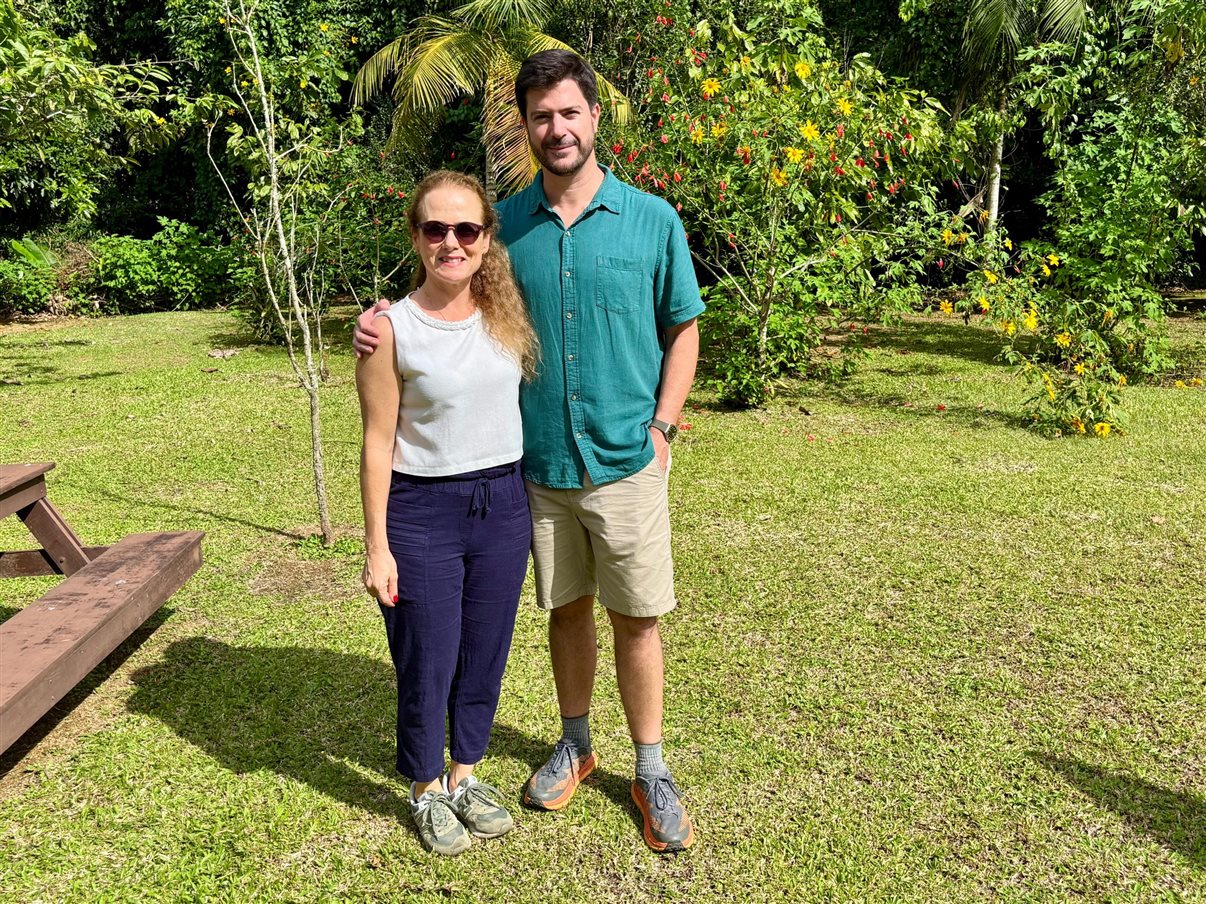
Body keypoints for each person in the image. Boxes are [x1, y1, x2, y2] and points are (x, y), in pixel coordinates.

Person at [355, 50, 703, 853]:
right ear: (528, 126)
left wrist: (663, 427)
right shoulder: (501, 224)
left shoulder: (652, 220)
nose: (557, 128)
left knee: (638, 617)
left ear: (594, 117)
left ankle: (650, 765)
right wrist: (375, 323)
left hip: (624, 461)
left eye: (569, 112)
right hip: (533, 474)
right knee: (565, 610)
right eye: (541, 116)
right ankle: (575, 743)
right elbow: (442, 297)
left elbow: (683, 328)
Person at [356, 169, 538, 856]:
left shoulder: (507, 316)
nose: (452, 242)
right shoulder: (389, 329)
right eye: (437, 229)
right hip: (422, 508)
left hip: (503, 504)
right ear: (416, 236)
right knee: (425, 657)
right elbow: (377, 441)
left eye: (467, 229)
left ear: (488, 239)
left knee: (485, 651)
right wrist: (377, 544)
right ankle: (426, 788)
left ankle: (465, 775)